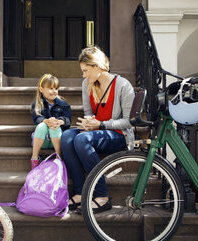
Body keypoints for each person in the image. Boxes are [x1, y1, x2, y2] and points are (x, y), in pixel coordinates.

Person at [61, 46, 135, 213]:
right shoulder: (87, 84)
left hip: (118, 134)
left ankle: (102, 196)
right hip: (96, 131)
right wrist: (89, 123)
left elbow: (128, 122)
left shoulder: (123, 85)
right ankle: (80, 193)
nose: (84, 75)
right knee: (66, 137)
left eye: (86, 70)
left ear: (97, 66)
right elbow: (89, 114)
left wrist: (100, 125)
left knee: (81, 139)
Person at [30, 74, 71, 170]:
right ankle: (34, 158)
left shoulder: (63, 104)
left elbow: (68, 120)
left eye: (56, 88)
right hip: (41, 140)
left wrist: (60, 122)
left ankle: (59, 157)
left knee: (55, 126)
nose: (54, 91)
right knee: (41, 126)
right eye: (51, 88)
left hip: (57, 140)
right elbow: (36, 118)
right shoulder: (37, 104)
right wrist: (46, 121)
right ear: (41, 89)